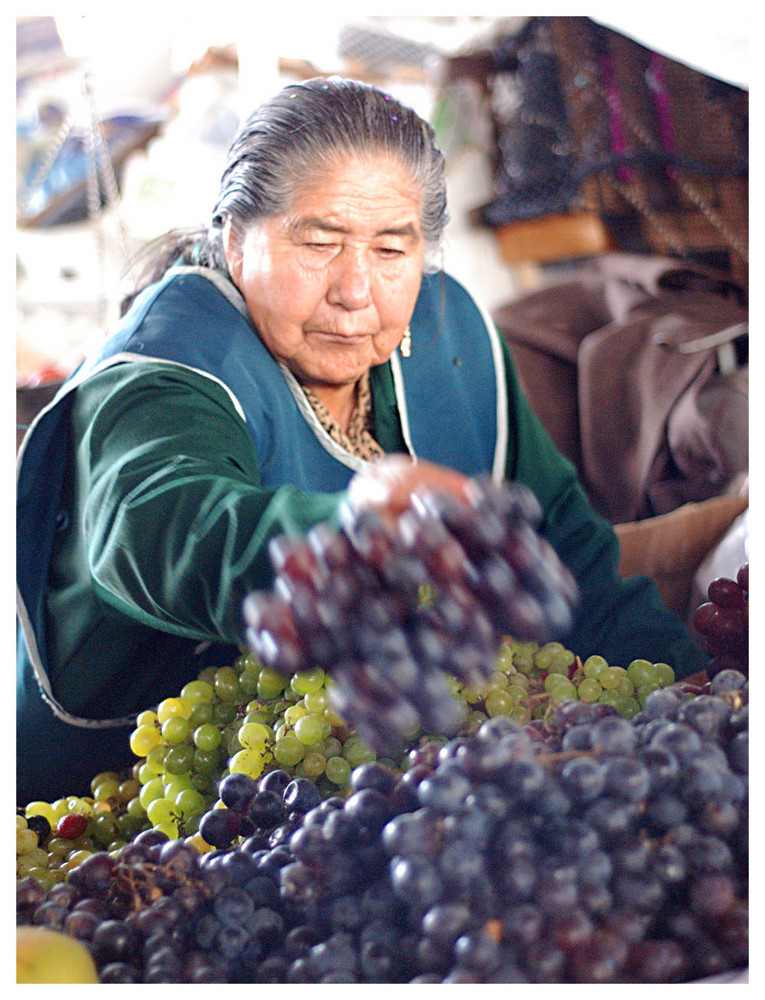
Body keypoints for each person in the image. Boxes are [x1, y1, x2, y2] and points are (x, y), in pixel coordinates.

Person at [16, 77, 706, 805]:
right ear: (234, 239)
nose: (354, 289)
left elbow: (564, 553)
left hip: (346, 790)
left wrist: (686, 690)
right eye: (319, 242)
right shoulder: (167, 368)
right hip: (115, 806)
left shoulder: (449, 333)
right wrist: (358, 534)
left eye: (389, 249)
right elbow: (166, 527)